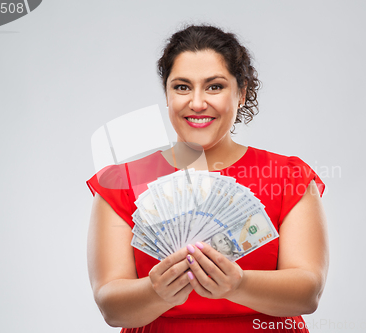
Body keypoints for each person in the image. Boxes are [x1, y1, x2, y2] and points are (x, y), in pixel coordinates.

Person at [86, 24, 328, 332]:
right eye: (182, 87)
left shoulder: (288, 177)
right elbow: (111, 306)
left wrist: (239, 284)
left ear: (241, 94)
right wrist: (155, 292)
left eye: (214, 86)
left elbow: (308, 292)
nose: (197, 103)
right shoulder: (120, 183)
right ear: (167, 94)